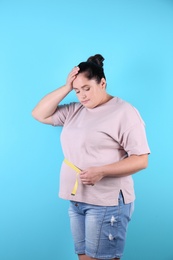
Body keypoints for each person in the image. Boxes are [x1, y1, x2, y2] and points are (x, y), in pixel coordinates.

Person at [32, 54, 150, 260]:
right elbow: (39, 114)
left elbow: (141, 159)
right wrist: (67, 87)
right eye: (78, 91)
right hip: (77, 200)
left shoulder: (125, 112)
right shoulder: (75, 110)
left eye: (87, 88)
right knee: (85, 257)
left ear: (102, 83)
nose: (82, 96)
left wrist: (101, 171)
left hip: (107, 202)